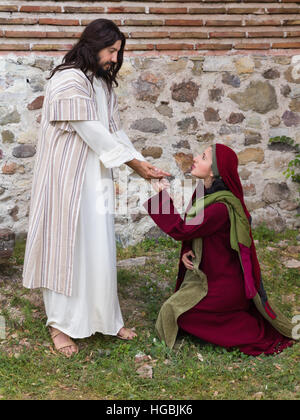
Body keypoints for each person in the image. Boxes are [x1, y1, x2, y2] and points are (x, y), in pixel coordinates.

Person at [22, 19, 170, 357]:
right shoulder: (67, 80)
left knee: (99, 246)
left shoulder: (102, 86)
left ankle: (107, 318)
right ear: (93, 45)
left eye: (119, 52)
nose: (115, 59)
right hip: (65, 181)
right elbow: (91, 130)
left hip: (95, 177)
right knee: (67, 248)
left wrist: (141, 161)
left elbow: (114, 132)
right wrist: (135, 165)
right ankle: (60, 325)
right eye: (111, 50)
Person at [143, 143, 298, 356]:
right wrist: (189, 248)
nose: (196, 158)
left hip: (225, 284)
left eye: (204, 157)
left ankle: (247, 326)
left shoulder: (220, 207)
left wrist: (161, 195)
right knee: (173, 310)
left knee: (176, 312)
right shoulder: (203, 194)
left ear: (215, 171)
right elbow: (193, 229)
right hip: (210, 276)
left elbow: (181, 229)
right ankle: (234, 317)